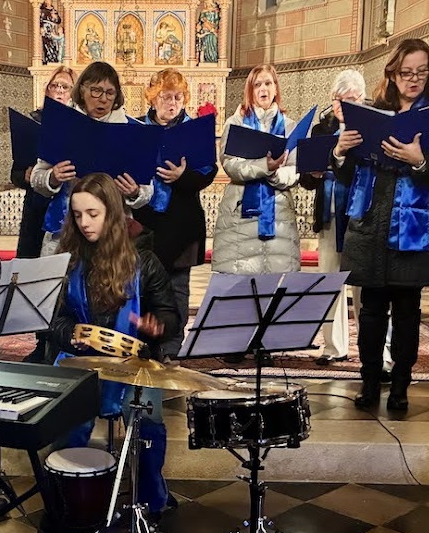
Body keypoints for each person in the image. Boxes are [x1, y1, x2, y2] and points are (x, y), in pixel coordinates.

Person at [336, 38, 429, 411]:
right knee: (371, 312)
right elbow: (347, 172)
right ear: (392, 73)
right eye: (407, 72)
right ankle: (369, 382)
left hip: (414, 229)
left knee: (407, 313)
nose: (414, 79)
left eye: (421, 71)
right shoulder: (373, 113)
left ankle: (401, 386)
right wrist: (340, 151)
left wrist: (420, 160)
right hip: (372, 225)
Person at [48, 173, 181, 512]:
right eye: (77, 215)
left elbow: (169, 315)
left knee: (148, 422)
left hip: (134, 362)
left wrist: (156, 326)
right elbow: (54, 319)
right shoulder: (70, 260)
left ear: (113, 212)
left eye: (93, 214)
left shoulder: (144, 261)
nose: (84, 223)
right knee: (66, 420)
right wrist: (69, 333)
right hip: (80, 360)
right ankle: (69, 499)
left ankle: (150, 500)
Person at [132, 68, 217, 357]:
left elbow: (207, 173)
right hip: (145, 222)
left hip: (182, 224)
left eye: (178, 97)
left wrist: (183, 176)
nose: (172, 103)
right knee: (143, 286)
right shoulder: (138, 129)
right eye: (166, 97)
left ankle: (171, 350)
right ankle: (143, 346)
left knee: (178, 289)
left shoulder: (194, 130)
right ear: (153, 98)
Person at [30, 61, 153, 256]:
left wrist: (135, 192)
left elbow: (148, 190)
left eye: (110, 92)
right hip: (65, 227)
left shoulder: (133, 131)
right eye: (96, 91)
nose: (103, 99)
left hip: (113, 231)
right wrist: (52, 177)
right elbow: (36, 177)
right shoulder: (62, 125)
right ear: (82, 90)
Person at [298, 69, 367, 366]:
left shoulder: (370, 128)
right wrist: (313, 174)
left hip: (361, 214)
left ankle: (370, 347)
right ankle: (334, 346)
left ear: (362, 99)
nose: (343, 105)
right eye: (338, 99)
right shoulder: (321, 130)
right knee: (330, 279)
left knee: (363, 284)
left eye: (350, 99)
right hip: (329, 214)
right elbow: (306, 178)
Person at [212, 63, 301, 274]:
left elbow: (296, 169)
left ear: (276, 88)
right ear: (250, 90)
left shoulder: (290, 126)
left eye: (268, 83)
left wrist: (276, 173)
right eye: (257, 84)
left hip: (279, 214)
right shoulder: (235, 123)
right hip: (240, 216)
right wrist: (264, 166)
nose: (263, 89)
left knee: (277, 283)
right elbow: (230, 164)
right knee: (240, 282)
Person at [11, 67, 76, 260]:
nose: (59, 91)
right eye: (55, 85)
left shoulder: (80, 123)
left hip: (68, 207)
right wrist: (26, 175)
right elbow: (15, 173)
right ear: (47, 90)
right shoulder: (33, 120)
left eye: (65, 87)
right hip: (37, 207)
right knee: (31, 262)